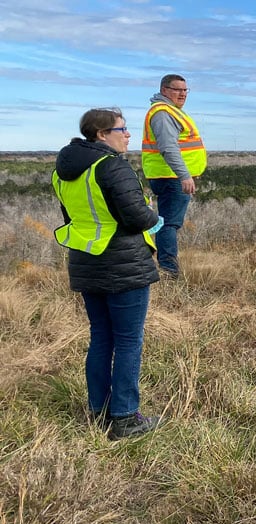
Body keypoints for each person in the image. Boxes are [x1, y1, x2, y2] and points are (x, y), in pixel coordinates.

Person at [53, 108, 162, 440]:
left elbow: (74, 215)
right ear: (101, 134)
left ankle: (99, 411)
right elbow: (135, 216)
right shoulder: (113, 166)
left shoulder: (63, 172)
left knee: (101, 337)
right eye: (122, 129)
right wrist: (155, 219)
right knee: (128, 341)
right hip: (124, 264)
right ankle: (126, 418)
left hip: (87, 263)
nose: (128, 135)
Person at [142, 74, 207, 278]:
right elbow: (168, 147)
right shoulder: (163, 113)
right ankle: (169, 270)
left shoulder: (171, 111)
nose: (182, 94)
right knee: (169, 223)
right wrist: (184, 175)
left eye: (185, 90)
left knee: (167, 222)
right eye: (177, 89)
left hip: (170, 176)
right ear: (164, 90)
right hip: (171, 178)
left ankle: (166, 266)